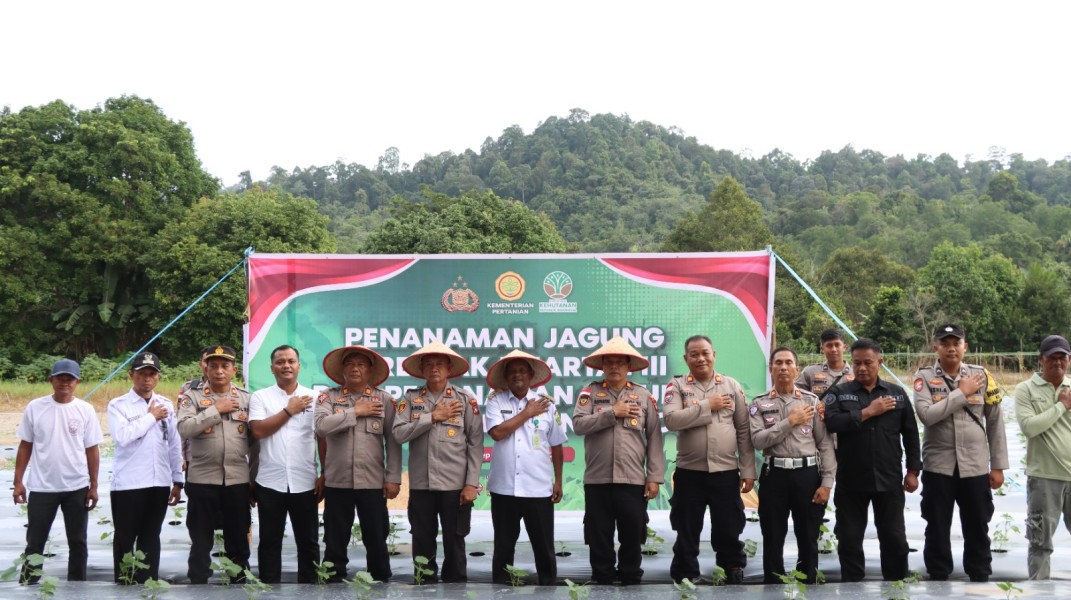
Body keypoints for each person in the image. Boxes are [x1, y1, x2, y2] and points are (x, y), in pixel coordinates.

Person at [913, 324, 1008, 582]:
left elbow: (995, 421)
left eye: (956, 342)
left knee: (978, 523)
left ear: (965, 347)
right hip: (938, 465)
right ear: (936, 348)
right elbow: (927, 416)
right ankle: (938, 571)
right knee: (937, 523)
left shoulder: (983, 376)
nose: (951, 348)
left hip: (975, 465)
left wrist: (998, 465)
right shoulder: (924, 378)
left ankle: (979, 571)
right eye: (945, 343)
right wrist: (961, 393)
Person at [823, 338, 921, 581]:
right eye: (857, 363)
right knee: (849, 540)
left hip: (888, 479)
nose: (862, 368)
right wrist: (868, 412)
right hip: (851, 480)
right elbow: (832, 422)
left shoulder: (896, 394)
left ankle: (896, 587)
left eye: (868, 362)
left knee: (895, 539)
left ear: (880, 362)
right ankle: (852, 589)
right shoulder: (840, 393)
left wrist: (912, 471)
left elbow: (910, 434)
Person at [573, 336, 665, 585]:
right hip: (597, 479)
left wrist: (654, 477)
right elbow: (579, 425)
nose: (614, 366)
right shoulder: (589, 393)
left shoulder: (643, 396)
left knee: (632, 533)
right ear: (602, 366)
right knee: (598, 534)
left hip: (633, 479)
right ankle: (601, 578)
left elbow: (655, 437)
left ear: (628, 366)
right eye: (609, 362)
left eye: (620, 362)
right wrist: (612, 413)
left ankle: (630, 577)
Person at [663, 335, 755, 585]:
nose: (700, 358)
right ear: (686, 359)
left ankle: (732, 566)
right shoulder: (677, 386)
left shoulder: (732, 386)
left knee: (728, 525)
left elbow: (744, 430)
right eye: (694, 354)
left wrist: (748, 469)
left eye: (705, 353)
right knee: (687, 526)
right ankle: (685, 572)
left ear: (714, 354)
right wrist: (707, 405)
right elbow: (671, 420)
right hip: (689, 471)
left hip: (725, 471)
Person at [393, 341, 482, 583]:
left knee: (455, 538)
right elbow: (398, 434)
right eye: (429, 364)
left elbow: (476, 443)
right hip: (422, 484)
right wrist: (431, 417)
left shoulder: (465, 400)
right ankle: (424, 583)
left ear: (449, 368)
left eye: (439, 364)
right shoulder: (410, 399)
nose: (434, 368)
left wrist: (471, 483)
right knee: (422, 537)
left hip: (455, 485)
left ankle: (456, 586)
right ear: (422, 369)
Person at [749, 347, 835, 584]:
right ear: (771, 369)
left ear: (797, 369)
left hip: (807, 475)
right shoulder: (759, 404)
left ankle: (808, 581)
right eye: (778, 363)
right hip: (774, 475)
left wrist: (827, 483)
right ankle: (774, 584)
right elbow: (757, 440)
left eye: (789, 363)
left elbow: (825, 444)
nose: (784, 367)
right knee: (773, 535)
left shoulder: (811, 401)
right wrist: (790, 422)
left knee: (808, 535)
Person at [316, 345, 401, 583]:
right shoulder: (328, 397)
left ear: (370, 371)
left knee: (376, 534)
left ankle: (380, 577)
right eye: (350, 364)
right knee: (335, 535)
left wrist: (393, 477)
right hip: (337, 481)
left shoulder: (384, 400)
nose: (355, 368)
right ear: (342, 369)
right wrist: (356, 411)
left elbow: (393, 442)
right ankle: (333, 577)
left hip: (372, 481)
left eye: (361, 364)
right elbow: (321, 427)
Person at [13, 358, 103, 582]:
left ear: (77, 382)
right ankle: (29, 585)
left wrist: (94, 485)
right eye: (60, 378)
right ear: (51, 380)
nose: (65, 383)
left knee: (78, 542)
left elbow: (92, 449)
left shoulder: (85, 410)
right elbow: (25, 446)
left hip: (76, 486)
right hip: (42, 487)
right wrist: (18, 482)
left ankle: (77, 588)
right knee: (35, 541)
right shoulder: (35, 407)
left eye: (70, 379)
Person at [484, 349, 567, 586]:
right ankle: (500, 588)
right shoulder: (495, 401)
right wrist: (527, 413)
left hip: (538, 488)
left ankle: (548, 586)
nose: (517, 375)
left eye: (522, 371)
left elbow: (557, 444)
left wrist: (558, 480)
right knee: (503, 545)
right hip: (504, 489)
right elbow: (497, 433)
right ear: (506, 377)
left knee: (544, 546)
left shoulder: (546, 405)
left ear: (531, 375)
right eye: (512, 372)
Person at [176, 345, 256, 584]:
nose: (219, 371)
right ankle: (199, 580)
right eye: (213, 366)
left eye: (224, 366)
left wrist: (253, 478)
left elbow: (255, 442)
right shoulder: (192, 397)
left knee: (238, 534)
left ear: (234, 370)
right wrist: (215, 409)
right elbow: (184, 429)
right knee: (201, 535)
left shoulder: (245, 399)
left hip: (237, 478)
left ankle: (239, 577)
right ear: (205, 368)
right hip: (202, 478)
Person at [106, 352, 184, 583]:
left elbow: (174, 444)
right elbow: (122, 437)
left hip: (158, 482)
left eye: (152, 374)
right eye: (142, 374)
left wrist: (177, 480)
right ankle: (124, 582)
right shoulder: (118, 405)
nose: (147, 379)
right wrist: (150, 417)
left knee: (151, 536)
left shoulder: (166, 405)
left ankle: (148, 581)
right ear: (132, 375)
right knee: (125, 538)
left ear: (158, 377)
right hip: (129, 483)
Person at [249, 345, 324, 583]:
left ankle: (310, 587)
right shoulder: (261, 397)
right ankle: (269, 587)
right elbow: (258, 431)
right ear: (272, 368)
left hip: (305, 481)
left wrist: (325, 474)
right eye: (280, 362)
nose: (286, 365)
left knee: (309, 540)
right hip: (270, 481)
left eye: (291, 361)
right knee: (270, 540)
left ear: (299, 366)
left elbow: (322, 438)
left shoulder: (314, 398)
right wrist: (289, 411)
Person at [1014, 334, 1071, 580]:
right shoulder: (1025, 389)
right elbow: (1030, 427)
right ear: (1041, 359)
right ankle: (1038, 592)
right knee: (1040, 544)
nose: (1057, 362)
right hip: (1044, 478)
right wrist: (1061, 406)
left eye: (1063, 357)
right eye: (1052, 357)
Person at [796, 328, 854, 398]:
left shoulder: (855, 373)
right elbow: (795, 394)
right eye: (829, 345)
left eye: (837, 345)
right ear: (822, 349)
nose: (834, 349)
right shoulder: (810, 372)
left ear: (844, 347)